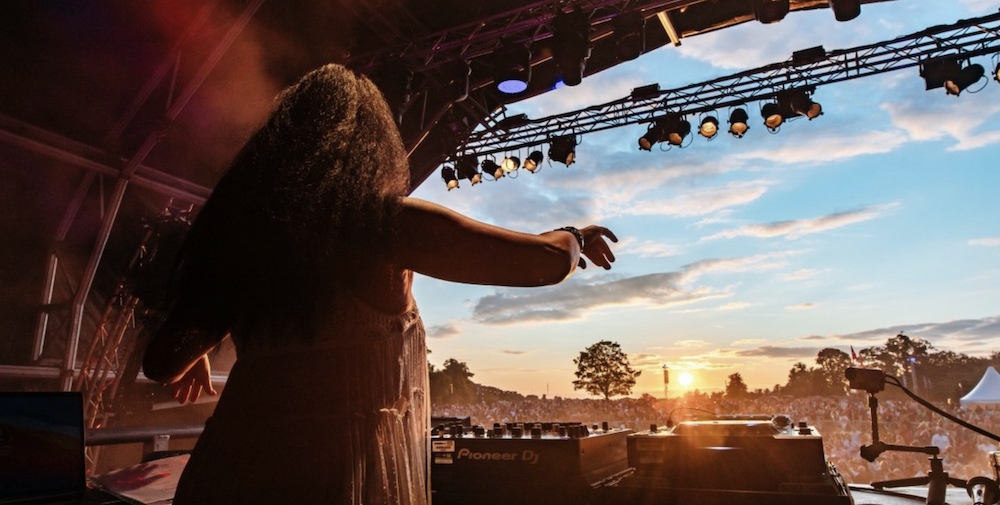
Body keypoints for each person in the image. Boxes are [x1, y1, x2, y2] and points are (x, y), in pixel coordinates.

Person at [142, 63, 618, 505]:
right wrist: (574, 235)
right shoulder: (380, 225)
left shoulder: (248, 240)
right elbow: (545, 263)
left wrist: (203, 342)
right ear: (371, 147)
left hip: (228, 475)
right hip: (332, 480)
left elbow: (162, 362)